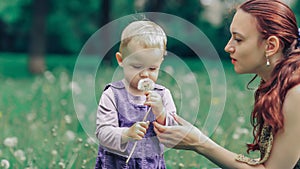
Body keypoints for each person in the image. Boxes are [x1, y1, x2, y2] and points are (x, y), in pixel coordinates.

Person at [153, 0, 300, 168]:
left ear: (271, 46)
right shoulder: (280, 83)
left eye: (238, 39)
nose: (228, 47)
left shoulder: (296, 94)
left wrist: (200, 143)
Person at [94, 20, 177, 169]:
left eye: (152, 68)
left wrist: (161, 112)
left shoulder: (163, 96)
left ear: (160, 63)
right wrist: (126, 133)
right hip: (115, 164)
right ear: (121, 60)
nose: (145, 74)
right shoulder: (112, 95)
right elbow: (102, 133)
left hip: (152, 164)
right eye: (137, 66)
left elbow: (174, 133)